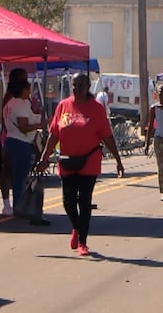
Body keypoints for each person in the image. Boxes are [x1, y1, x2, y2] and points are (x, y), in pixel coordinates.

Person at [37, 73, 124, 256]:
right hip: (67, 161)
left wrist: (118, 160)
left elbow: (107, 136)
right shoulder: (63, 106)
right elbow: (54, 135)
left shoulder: (96, 108)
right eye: (74, 85)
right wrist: (44, 158)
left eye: (81, 85)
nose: (77, 88)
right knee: (68, 202)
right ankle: (76, 227)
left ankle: (83, 242)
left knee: (84, 202)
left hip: (89, 162)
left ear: (88, 87)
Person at [0, 68, 43, 217]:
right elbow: (23, 126)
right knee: (18, 176)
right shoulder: (19, 103)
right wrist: (40, 124)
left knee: (13, 173)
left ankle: (14, 205)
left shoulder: (10, 102)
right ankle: (18, 206)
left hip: (11, 138)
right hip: (19, 140)